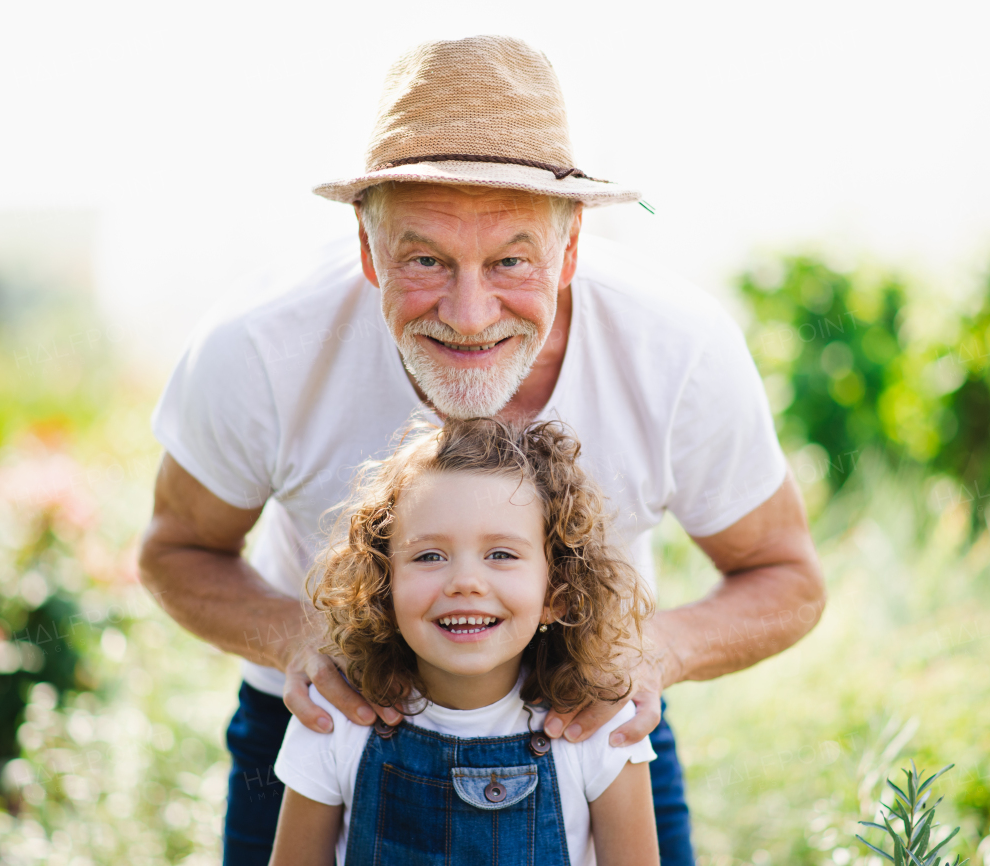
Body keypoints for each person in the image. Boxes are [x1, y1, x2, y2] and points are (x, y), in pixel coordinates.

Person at [139, 35, 826, 866]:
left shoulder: (679, 351)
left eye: (510, 261)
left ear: (570, 250)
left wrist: (652, 653)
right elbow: (177, 550)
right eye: (425, 259)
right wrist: (301, 637)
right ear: (367, 248)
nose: (469, 315)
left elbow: (787, 576)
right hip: (323, 724)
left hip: (589, 726)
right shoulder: (258, 349)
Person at [269, 417, 659, 866]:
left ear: (556, 592)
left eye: (501, 554)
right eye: (429, 555)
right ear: (381, 586)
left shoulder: (601, 730)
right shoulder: (334, 721)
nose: (466, 582)